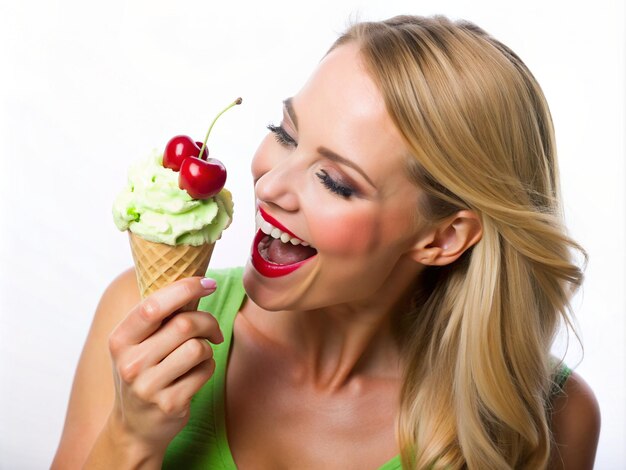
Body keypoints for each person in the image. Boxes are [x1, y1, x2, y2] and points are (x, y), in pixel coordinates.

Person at [52, 15, 600, 469]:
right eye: (285, 134)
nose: (269, 185)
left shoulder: (548, 418)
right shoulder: (141, 325)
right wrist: (130, 438)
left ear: (443, 238)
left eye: (335, 182)